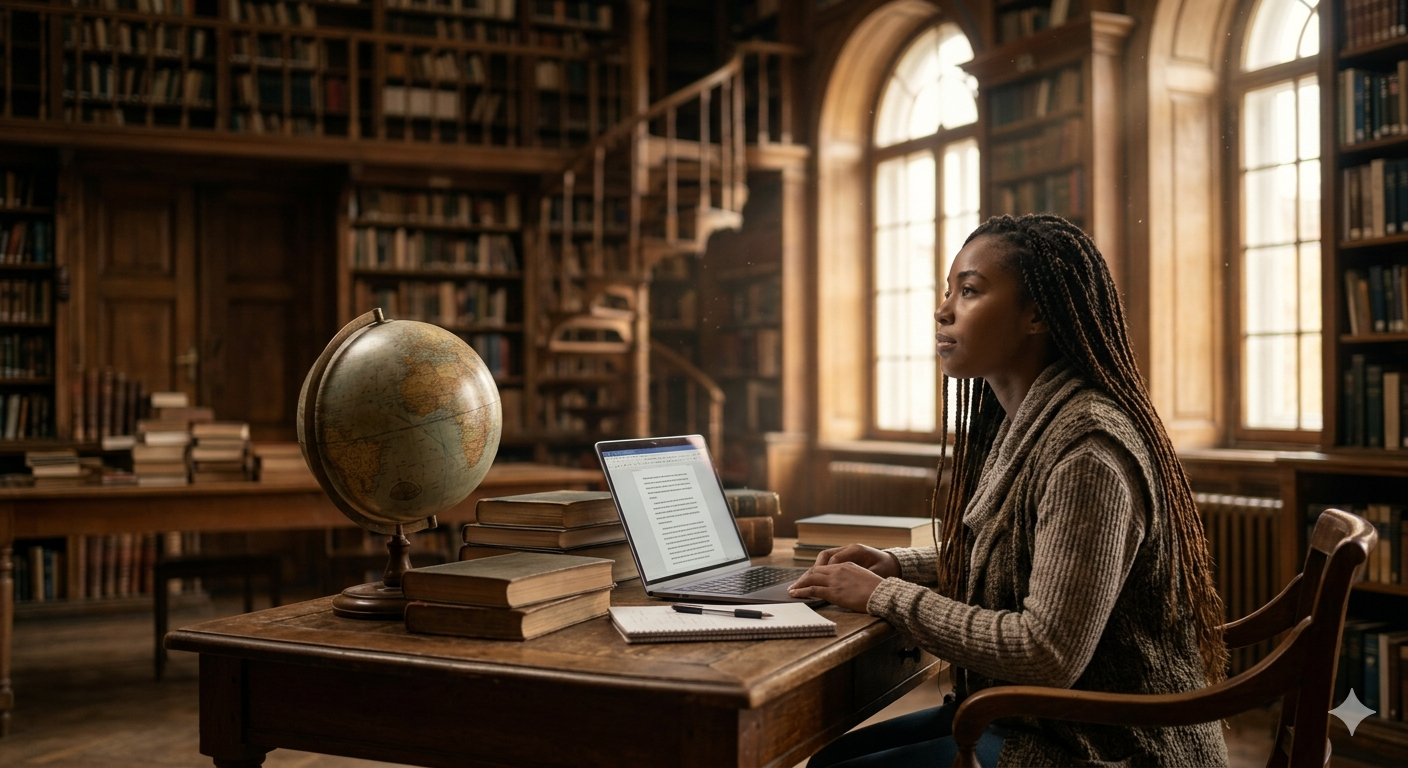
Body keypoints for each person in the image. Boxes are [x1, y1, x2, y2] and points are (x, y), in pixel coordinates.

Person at [788, 214, 1230, 767]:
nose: (942, 310)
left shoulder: (1087, 450)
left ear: (1037, 314)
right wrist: (899, 565)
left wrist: (882, 595)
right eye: (948, 291)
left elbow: (1046, 653)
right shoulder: (1026, 419)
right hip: (1041, 718)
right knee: (832, 759)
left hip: (1107, 748)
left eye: (969, 291)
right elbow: (1026, 554)